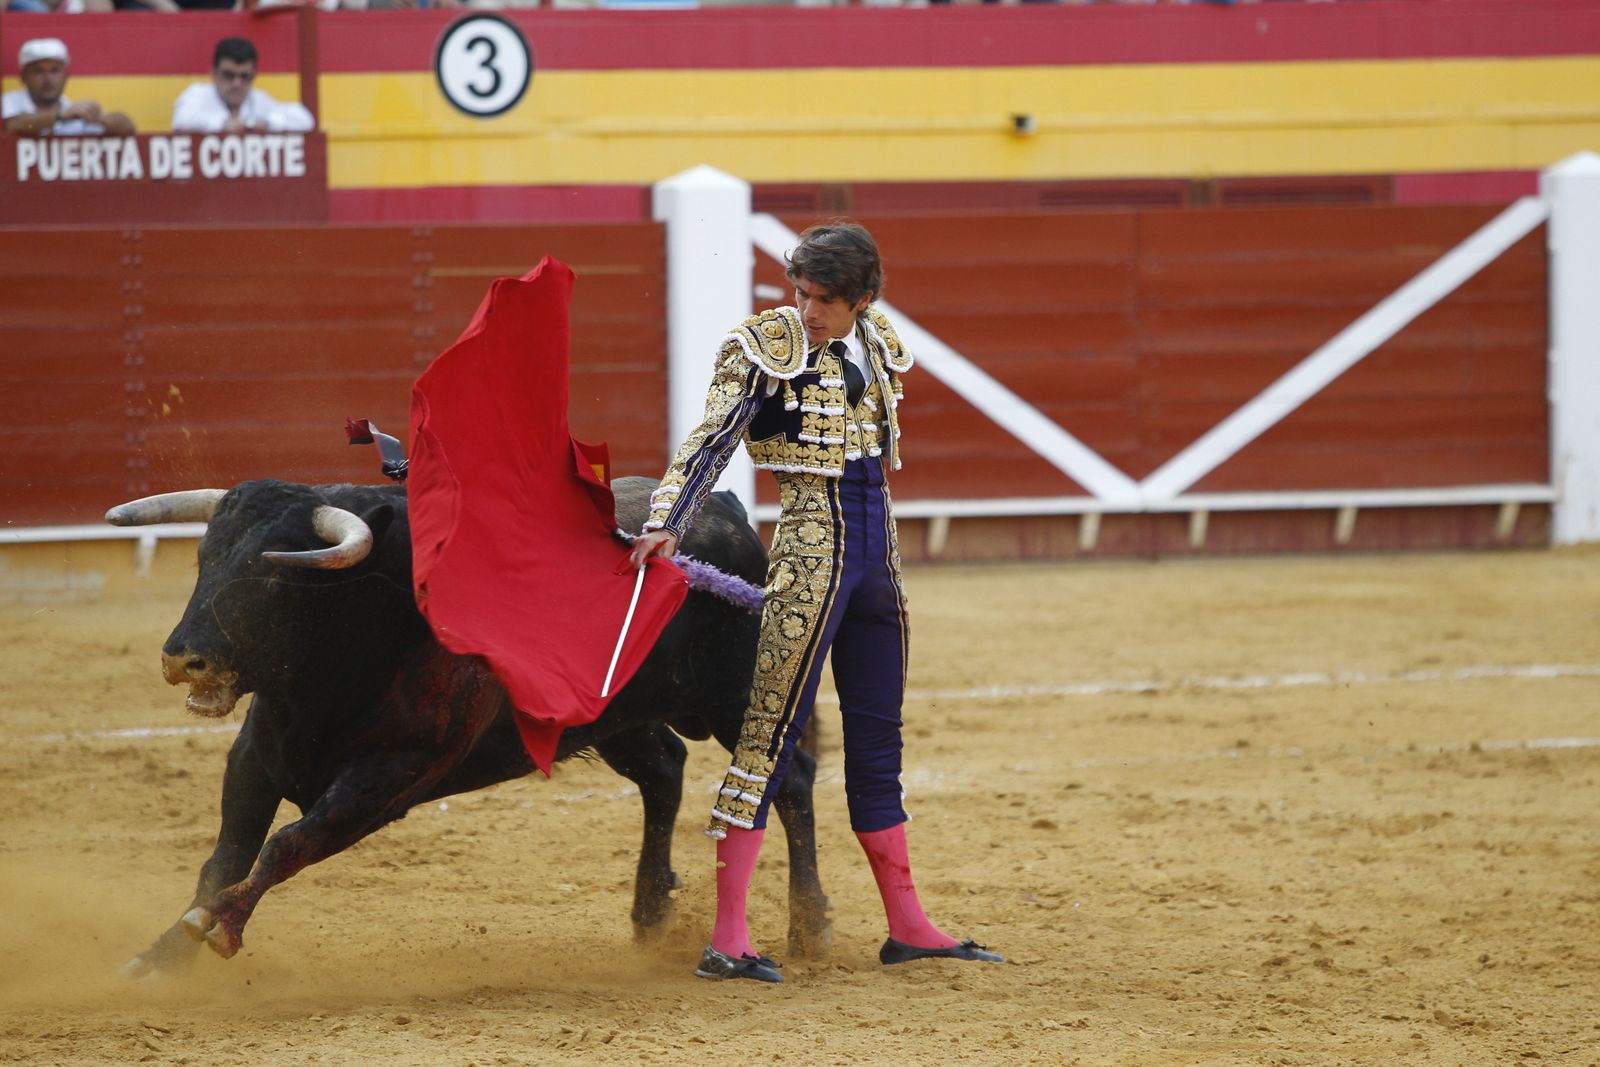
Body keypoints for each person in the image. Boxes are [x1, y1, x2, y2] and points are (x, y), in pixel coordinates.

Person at [629, 222, 1003, 983]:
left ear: (864, 297)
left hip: (878, 554)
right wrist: (666, 519)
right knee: (767, 736)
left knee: (877, 739)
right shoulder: (763, 344)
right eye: (799, 291)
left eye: (824, 298)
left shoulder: (881, 339)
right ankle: (728, 936)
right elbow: (711, 439)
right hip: (807, 544)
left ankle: (908, 924)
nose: (807, 309)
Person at [171, 37, 315, 135]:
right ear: (213, 73)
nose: (237, 83)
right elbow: (182, 119)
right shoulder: (198, 94)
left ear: (254, 76)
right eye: (229, 75)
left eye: (245, 76)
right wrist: (222, 124)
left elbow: (305, 119)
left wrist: (268, 123)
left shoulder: (258, 100)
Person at [2, 38, 135, 136]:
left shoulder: (74, 111)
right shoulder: (6, 102)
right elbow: (11, 126)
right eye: (38, 71)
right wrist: (60, 117)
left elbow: (127, 128)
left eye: (55, 71)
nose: (48, 79)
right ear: (23, 77)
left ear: (66, 75)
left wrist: (102, 119)